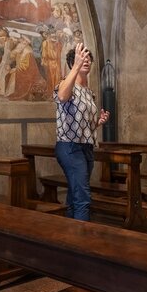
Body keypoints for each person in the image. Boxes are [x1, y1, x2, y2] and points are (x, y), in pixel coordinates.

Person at [54, 42, 109, 221]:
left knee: (75, 193)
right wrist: (76, 67)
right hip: (70, 147)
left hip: (86, 147)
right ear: (72, 63)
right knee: (83, 197)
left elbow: (86, 125)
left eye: (88, 58)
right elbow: (62, 96)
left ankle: (70, 234)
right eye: (81, 58)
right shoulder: (65, 84)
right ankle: (82, 244)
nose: (86, 60)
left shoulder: (88, 92)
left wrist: (98, 122)